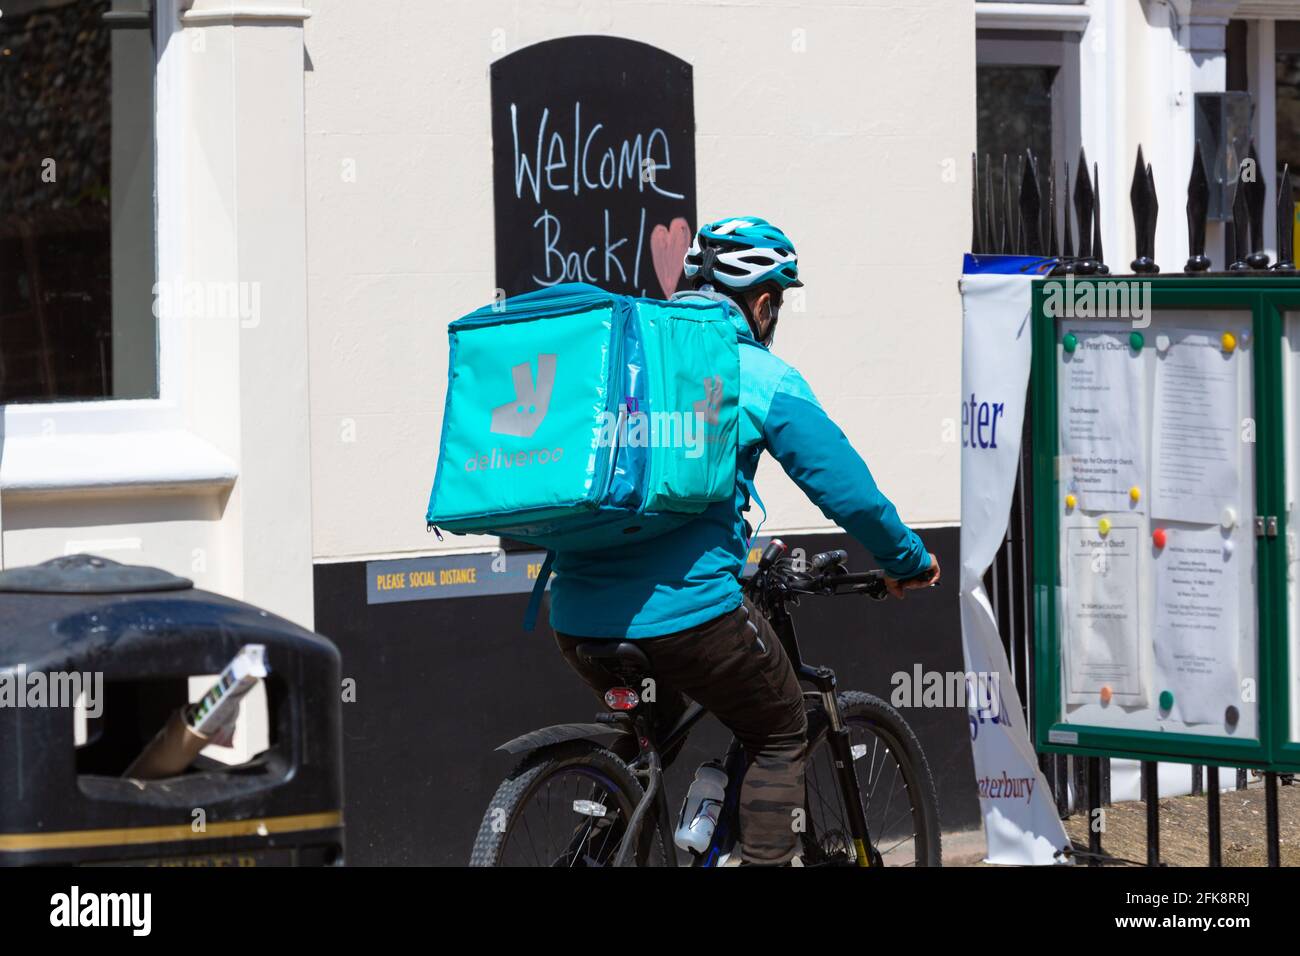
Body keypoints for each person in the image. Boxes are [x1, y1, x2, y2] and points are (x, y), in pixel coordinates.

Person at [548, 216, 940, 865]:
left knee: (652, 733)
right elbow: (844, 487)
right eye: (777, 304)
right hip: (688, 613)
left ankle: (593, 846)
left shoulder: (627, 363)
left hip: (577, 610)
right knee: (781, 728)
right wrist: (906, 559)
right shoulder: (749, 370)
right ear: (762, 302)